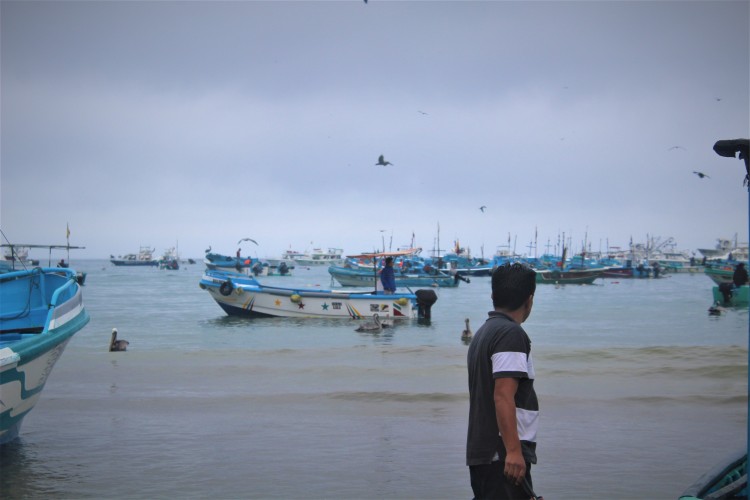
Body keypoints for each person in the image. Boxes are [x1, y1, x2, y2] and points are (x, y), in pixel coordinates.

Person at [466, 262, 539, 500]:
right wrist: (514, 452)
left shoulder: (484, 332)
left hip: (485, 454)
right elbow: (502, 395)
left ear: (492, 296)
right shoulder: (511, 334)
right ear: (529, 299)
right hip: (502, 456)